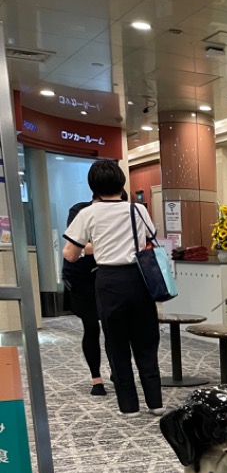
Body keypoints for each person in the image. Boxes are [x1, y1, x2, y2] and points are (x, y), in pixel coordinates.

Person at [62, 160, 163, 416]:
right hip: (139, 280)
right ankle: (155, 402)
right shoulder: (138, 209)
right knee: (146, 341)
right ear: (122, 183)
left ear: (92, 186)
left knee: (116, 343)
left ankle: (129, 406)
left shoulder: (87, 213)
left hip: (108, 281)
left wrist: (93, 246)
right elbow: (150, 242)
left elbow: (70, 254)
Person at [62, 198, 107, 396]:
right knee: (91, 326)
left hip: (107, 274)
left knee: (113, 326)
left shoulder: (121, 211)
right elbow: (76, 248)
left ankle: (117, 371)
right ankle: (96, 379)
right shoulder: (80, 211)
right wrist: (111, 245)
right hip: (81, 277)